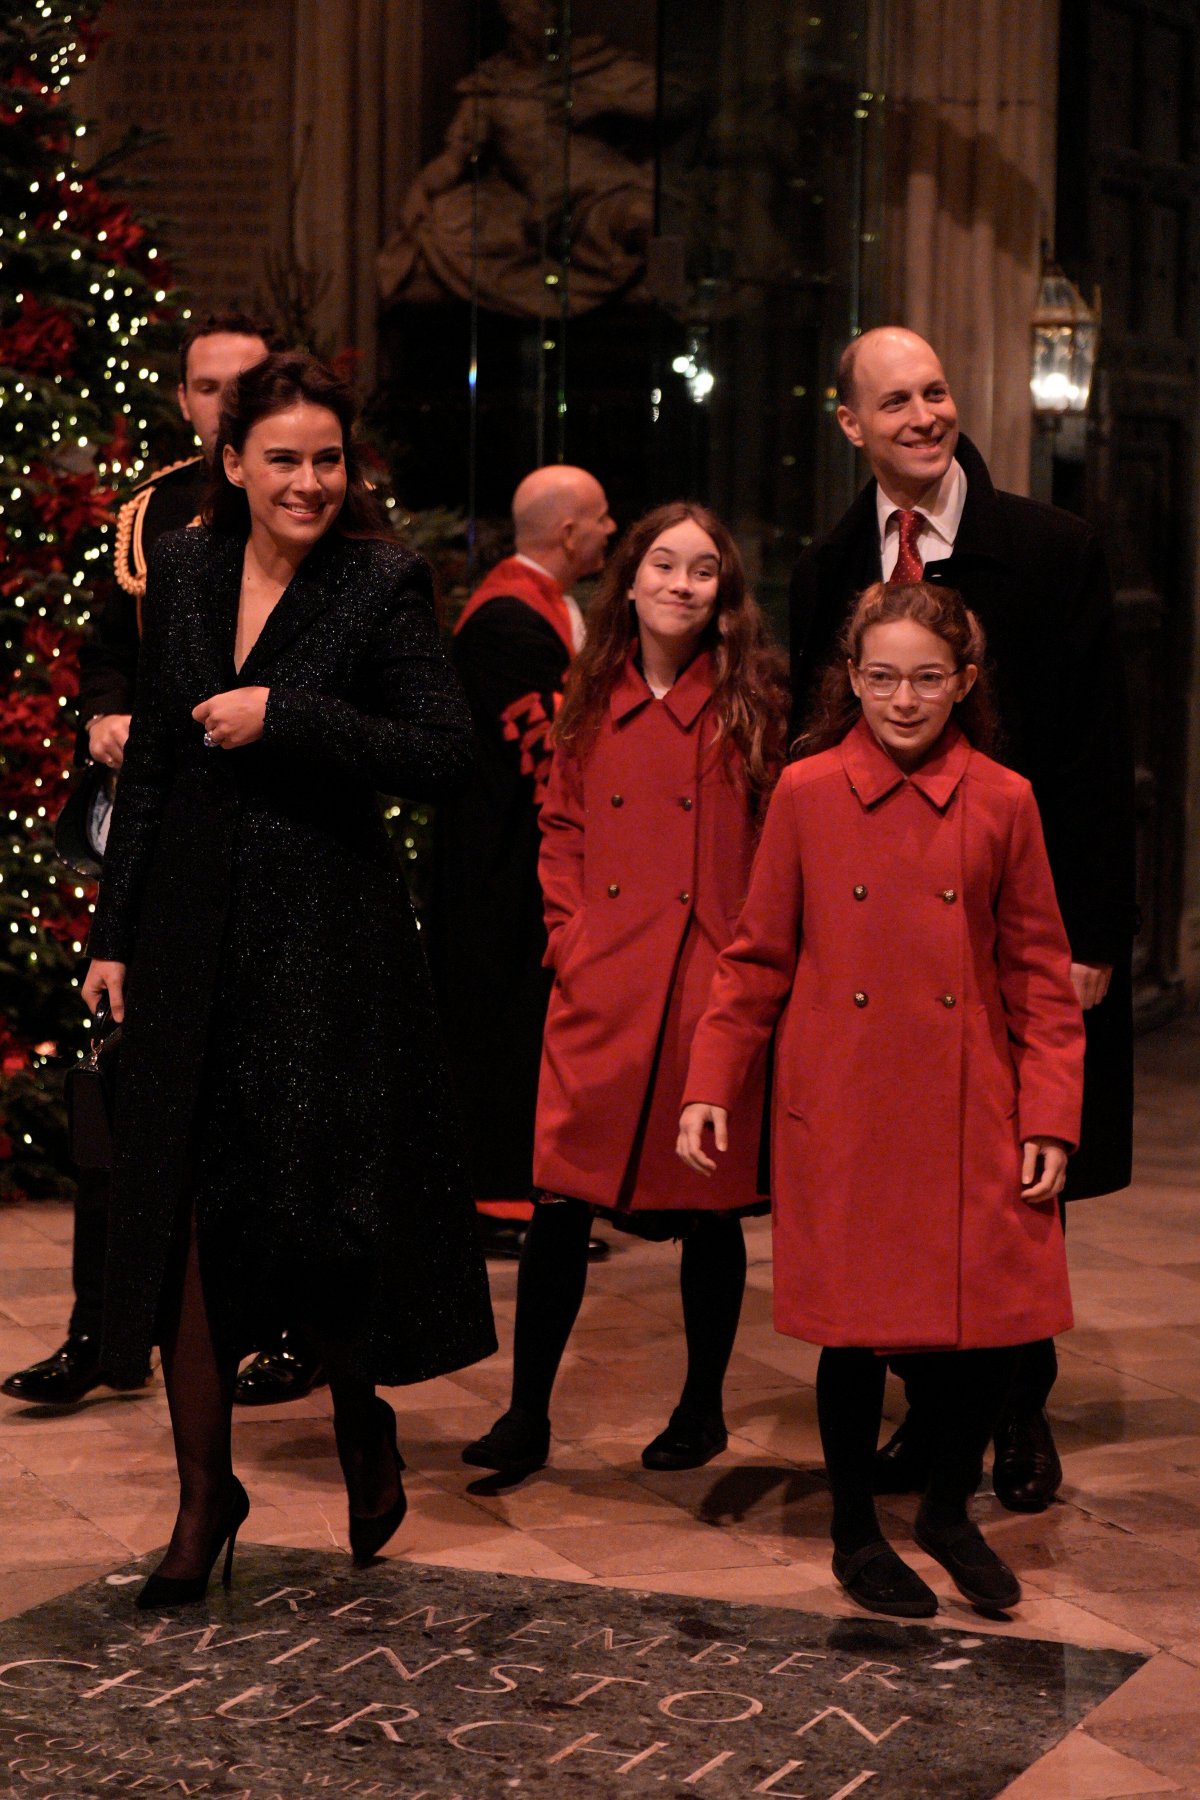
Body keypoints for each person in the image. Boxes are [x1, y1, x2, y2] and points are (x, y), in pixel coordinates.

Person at [81, 351, 496, 1605]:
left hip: (327, 942)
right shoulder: (187, 567)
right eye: (283, 459)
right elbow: (156, 763)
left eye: (327, 458)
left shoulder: (381, 579)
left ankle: (360, 1417)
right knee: (184, 1216)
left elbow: (446, 754)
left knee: (321, 1213)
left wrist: (290, 715)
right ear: (232, 463)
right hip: (189, 932)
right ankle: (205, 1495)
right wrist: (113, 936)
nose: (309, 481)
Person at [680, 580, 1085, 1618]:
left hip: (972, 1104)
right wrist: (711, 1082)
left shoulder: (1005, 798)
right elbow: (756, 957)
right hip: (845, 1103)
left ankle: (947, 1512)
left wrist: (1051, 1113)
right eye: (884, 677)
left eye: (927, 678)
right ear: (852, 679)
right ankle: (854, 1532)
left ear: (964, 681)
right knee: (853, 1332)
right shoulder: (807, 791)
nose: (905, 700)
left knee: (985, 1327)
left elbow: (1040, 974)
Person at [788, 326, 1136, 1512]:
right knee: (897, 1183)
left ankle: (1016, 1407)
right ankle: (931, 1415)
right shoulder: (828, 565)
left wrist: (1094, 935)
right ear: (852, 424)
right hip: (881, 932)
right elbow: (813, 748)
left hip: (1016, 915)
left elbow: (1096, 754)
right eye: (895, 401)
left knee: (1013, 1182)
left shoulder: (1051, 548)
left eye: (936, 390)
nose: (925, 415)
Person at [463, 502, 789, 1480]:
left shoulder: (750, 704)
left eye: (703, 569)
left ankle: (701, 1407)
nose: (682, 584)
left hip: (706, 983)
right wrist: (573, 937)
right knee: (561, 1197)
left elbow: (778, 847)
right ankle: (527, 1413)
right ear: (631, 582)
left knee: (710, 1205)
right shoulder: (587, 698)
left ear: (724, 593)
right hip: (603, 983)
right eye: (664, 564)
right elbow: (561, 828)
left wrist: (748, 961)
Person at [3, 313, 276, 1411]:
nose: (224, 404)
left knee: (268, 1088)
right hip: (162, 829)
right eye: (207, 387)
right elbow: (107, 655)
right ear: (184, 400)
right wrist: (104, 716)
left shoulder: (314, 504)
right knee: (121, 1079)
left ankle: (281, 1325)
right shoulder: (150, 514)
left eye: (245, 384)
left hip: (272, 830)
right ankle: (101, 1330)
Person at [429, 465, 615, 1258]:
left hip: (522, 860)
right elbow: (548, 748)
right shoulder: (508, 619)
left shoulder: (545, 604)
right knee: (504, 1029)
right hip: (501, 869)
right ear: (569, 531)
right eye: (601, 518)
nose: (612, 530)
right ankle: (501, 1199)